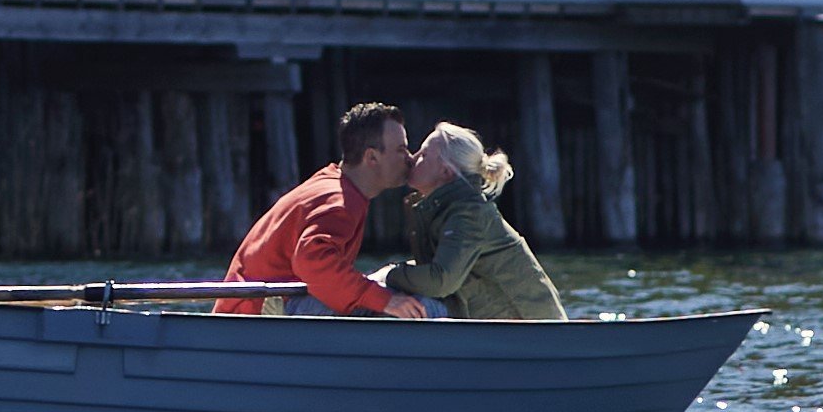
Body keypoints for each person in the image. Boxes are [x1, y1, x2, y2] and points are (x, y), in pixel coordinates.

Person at [212, 100, 441, 317]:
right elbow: (312, 262)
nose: (410, 159)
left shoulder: (334, 184)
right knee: (427, 308)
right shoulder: (339, 201)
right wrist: (386, 301)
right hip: (262, 314)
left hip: (259, 306)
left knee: (394, 293)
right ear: (371, 157)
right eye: (401, 149)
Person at [383, 122, 567, 323]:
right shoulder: (448, 208)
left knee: (385, 303)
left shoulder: (468, 214)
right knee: (380, 294)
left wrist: (391, 275)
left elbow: (441, 280)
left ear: (445, 172)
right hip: (489, 323)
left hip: (531, 330)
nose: (413, 158)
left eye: (424, 155)